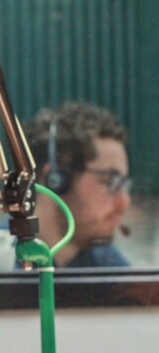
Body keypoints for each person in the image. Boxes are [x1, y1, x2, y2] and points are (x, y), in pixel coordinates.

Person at [23, 101, 132, 268]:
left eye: (123, 184)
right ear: (57, 180)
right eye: (110, 182)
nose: (124, 203)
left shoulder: (110, 266)